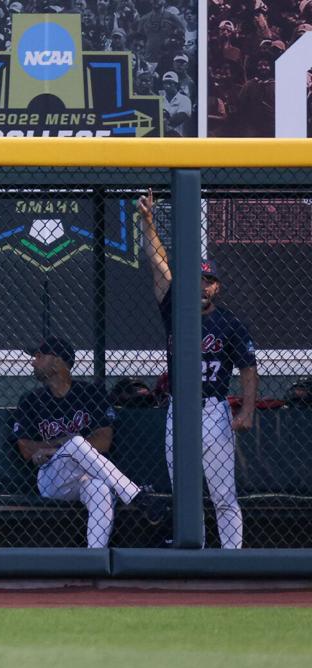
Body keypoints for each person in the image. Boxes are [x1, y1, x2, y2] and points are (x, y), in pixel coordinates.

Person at [138, 191, 258, 548]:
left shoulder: (229, 324)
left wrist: (247, 410)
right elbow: (159, 267)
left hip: (213, 410)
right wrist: (148, 224)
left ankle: (232, 558)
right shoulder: (175, 309)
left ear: (217, 286)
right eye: (199, 280)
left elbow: (248, 369)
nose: (203, 286)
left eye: (209, 281)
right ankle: (195, 554)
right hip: (179, 409)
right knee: (185, 494)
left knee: (223, 494)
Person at [13, 337, 166, 549]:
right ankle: (137, 496)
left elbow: (103, 441)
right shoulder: (30, 399)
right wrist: (65, 446)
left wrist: (54, 446)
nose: (33, 362)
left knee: (101, 490)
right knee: (76, 443)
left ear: (57, 361)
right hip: (51, 476)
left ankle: (94, 557)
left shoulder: (89, 393)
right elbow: (26, 449)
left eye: (39, 356)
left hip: (87, 475)